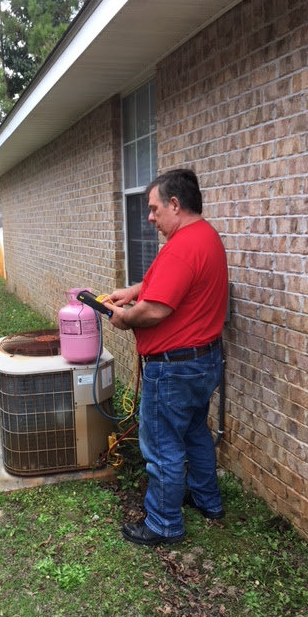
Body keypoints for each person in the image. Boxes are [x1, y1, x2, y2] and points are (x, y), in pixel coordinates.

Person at [103, 168, 228, 546]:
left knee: (161, 446)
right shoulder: (204, 238)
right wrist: (133, 289)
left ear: (175, 204)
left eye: (155, 209)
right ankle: (208, 500)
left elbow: (156, 309)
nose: (150, 217)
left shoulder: (183, 247)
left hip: (174, 369)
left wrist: (124, 318)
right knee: (193, 433)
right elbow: (166, 282)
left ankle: (163, 523)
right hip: (203, 361)